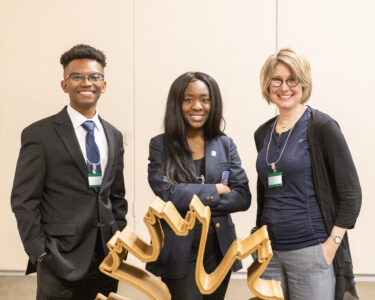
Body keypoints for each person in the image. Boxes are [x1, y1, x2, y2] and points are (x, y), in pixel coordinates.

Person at [11, 44, 128, 300]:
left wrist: (118, 235)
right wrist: (39, 253)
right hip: (59, 260)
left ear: (104, 84)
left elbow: (116, 195)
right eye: (77, 77)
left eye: (94, 76)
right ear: (64, 84)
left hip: (106, 258)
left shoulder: (114, 136)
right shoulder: (39, 135)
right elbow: (24, 200)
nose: (87, 83)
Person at [254, 48, 361, 300]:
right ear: (267, 85)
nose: (284, 87)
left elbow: (351, 194)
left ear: (303, 83)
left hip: (311, 252)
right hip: (270, 253)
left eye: (292, 80)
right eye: (276, 80)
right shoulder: (263, 134)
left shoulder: (322, 127)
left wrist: (330, 246)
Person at [146, 72, 251, 300]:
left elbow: (243, 196)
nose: (197, 106)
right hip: (179, 248)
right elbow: (166, 193)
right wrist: (214, 190)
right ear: (177, 103)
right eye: (188, 99)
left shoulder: (225, 144)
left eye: (205, 99)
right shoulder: (161, 145)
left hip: (218, 249)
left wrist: (188, 197)